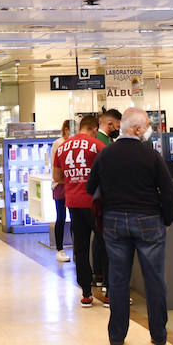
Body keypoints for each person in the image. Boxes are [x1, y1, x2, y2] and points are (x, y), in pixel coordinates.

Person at [87, 107, 173, 345]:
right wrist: (167, 220)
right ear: (136, 129)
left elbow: (90, 187)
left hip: (114, 221)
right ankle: (158, 335)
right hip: (149, 221)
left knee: (117, 279)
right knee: (154, 279)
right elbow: (168, 192)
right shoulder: (151, 156)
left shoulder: (105, 155)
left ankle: (116, 336)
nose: (148, 129)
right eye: (147, 125)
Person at [52, 115, 105, 306]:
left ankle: (86, 292)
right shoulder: (98, 145)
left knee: (80, 248)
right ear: (94, 129)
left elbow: (57, 176)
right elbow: (107, 173)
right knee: (104, 243)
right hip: (94, 202)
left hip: (73, 202)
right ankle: (107, 290)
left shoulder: (63, 147)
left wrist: (75, 179)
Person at [53, 119, 72, 261]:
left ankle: (75, 246)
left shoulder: (73, 143)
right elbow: (56, 168)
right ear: (66, 129)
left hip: (72, 184)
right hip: (60, 185)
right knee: (61, 216)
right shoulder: (58, 143)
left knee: (74, 217)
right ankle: (59, 248)